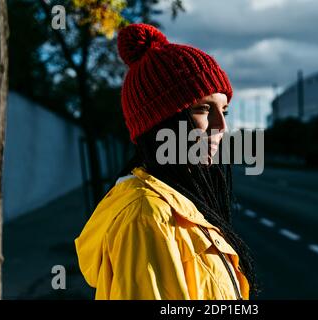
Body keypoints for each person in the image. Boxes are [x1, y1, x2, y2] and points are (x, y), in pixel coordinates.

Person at [75, 23, 258, 300]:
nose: (220, 127)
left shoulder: (179, 203)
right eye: (202, 109)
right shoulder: (146, 216)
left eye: (225, 111)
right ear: (158, 123)